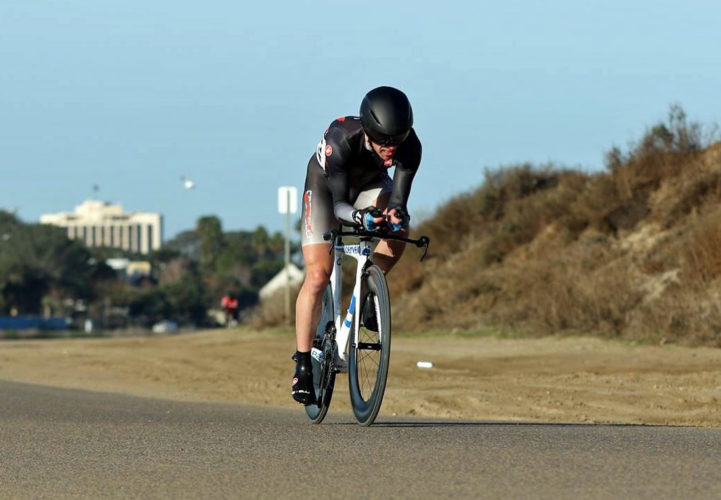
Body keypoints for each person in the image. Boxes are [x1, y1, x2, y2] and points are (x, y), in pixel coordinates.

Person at [291, 86, 422, 404]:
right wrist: (360, 217)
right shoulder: (341, 138)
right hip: (326, 188)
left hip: (370, 183)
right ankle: (303, 363)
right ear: (368, 132)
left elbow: (399, 199)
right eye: (384, 142)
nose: (392, 149)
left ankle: (370, 292)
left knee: (399, 225)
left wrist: (393, 213)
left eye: (398, 141)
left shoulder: (409, 145)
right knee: (319, 276)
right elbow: (338, 207)